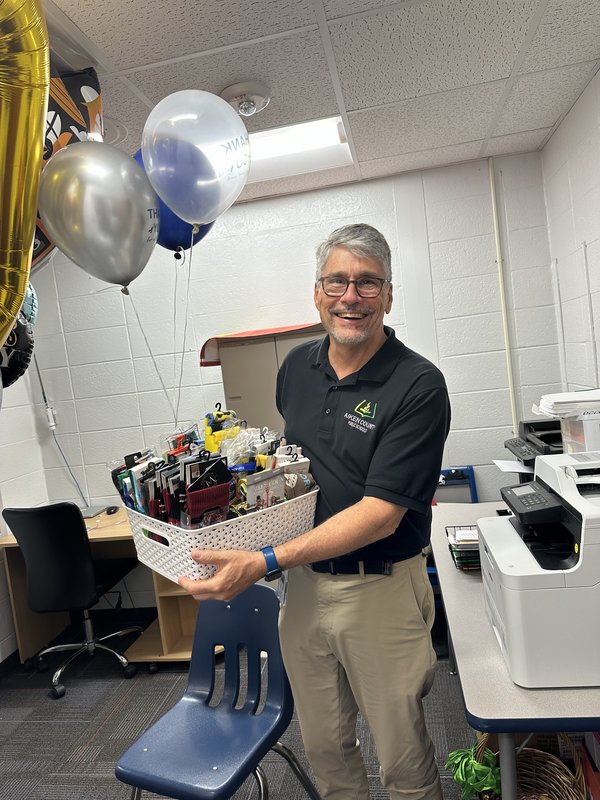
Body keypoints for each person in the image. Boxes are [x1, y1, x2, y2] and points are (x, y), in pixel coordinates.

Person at [179, 223, 451, 800]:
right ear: (317, 291)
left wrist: (264, 557)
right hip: (302, 590)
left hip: (379, 592)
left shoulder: (418, 384)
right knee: (327, 749)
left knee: (402, 759)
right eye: (338, 281)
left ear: (389, 295)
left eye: (368, 283)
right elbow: (299, 468)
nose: (350, 296)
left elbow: (380, 514)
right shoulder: (297, 368)